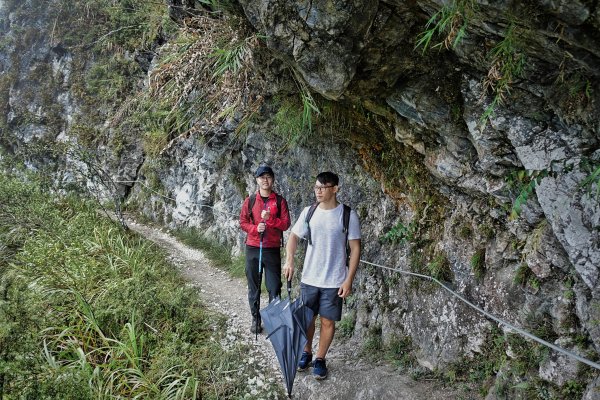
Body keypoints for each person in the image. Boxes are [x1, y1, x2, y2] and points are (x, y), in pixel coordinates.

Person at [283, 171, 361, 380]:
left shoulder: (347, 215)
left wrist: (349, 279)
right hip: (310, 277)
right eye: (316, 187)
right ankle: (306, 352)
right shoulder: (309, 212)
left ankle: (320, 358)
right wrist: (289, 259)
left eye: (322, 188)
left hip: (334, 279)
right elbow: (293, 237)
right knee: (308, 319)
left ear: (334, 189)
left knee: (328, 322)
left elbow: (355, 249)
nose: (318, 191)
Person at [240, 165, 291, 333]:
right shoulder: (251, 201)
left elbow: (285, 224)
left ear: (273, 180)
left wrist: (270, 220)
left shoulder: (279, 201)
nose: (265, 180)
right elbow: (243, 222)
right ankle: (256, 319)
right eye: (262, 177)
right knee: (254, 286)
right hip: (253, 247)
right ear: (257, 180)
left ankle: (274, 319)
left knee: (274, 286)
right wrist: (256, 229)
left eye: (268, 177)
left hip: (272, 248)